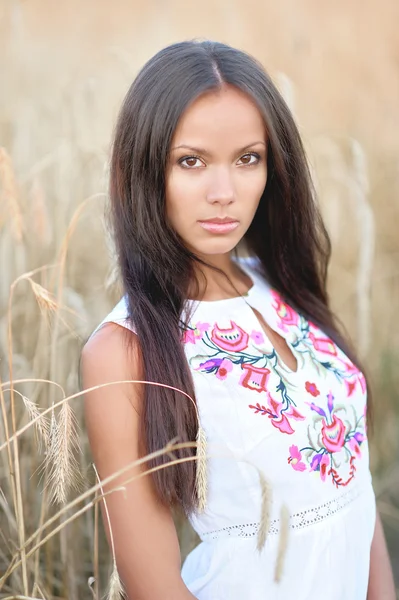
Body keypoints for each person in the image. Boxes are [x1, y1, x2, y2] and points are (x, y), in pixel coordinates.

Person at [80, 40, 395, 600]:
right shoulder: (125, 349)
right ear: (145, 169)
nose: (224, 194)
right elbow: (154, 587)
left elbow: (352, 484)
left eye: (248, 158)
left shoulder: (279, 284)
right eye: (191, 161)